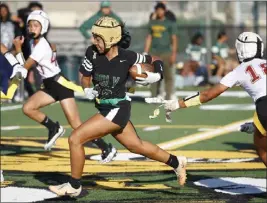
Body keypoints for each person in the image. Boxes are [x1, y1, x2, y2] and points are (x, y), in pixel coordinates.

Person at [48, 16, 187, 197]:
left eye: (98, 38)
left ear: (111, 38)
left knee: (75, 138)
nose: (94, 41)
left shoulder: (128, 57)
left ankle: (74, 186)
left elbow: (156, 59)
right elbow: (84, 76)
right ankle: (177, 162)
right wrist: (87, 88)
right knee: (136, 146)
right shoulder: (92, 52)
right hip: (105, 108)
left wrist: (156, 76)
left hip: (118, 109)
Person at [0, 10, 117, 163]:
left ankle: (106, 147)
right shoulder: (32, 42)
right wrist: (19, 49)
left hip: (59, 84)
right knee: (28, 108)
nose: (32, 28)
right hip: (49, 85)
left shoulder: (41, 46)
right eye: (30, 25)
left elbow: (23, 68)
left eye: (36, 25)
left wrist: (18, 49)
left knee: (76, 124)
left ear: (44, 27)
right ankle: (53, 128)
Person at [147, 32, 267, 167]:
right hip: (262, 111)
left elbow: (207, 95)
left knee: (263, 150)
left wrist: (177, 104)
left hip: (264, 107)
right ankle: (258, 127)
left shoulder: (239, 71)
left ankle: (259, 127)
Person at [144, 2, 177, 100]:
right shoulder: (152, 23)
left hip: (166, 52)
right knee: (154, 75)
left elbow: (174, 39)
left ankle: (168, 96)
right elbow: (149, 37)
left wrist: (174, 54)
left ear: (164, 10)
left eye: (161, 9)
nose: (159, 11)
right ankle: (154, 95)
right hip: (154, 53)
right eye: (157, 10)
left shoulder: (169, 23)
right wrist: (145, 52)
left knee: (168, 76)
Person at [0, 3, 21, 95]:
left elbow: (18, 36)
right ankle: (4, 91)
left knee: (11, 72)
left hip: (11, 52)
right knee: (2, 72)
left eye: (4, 11)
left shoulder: (13, 24)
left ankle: (12, 92)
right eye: (1, 11)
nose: (3, 13)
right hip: (1, 52)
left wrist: (15, 50)